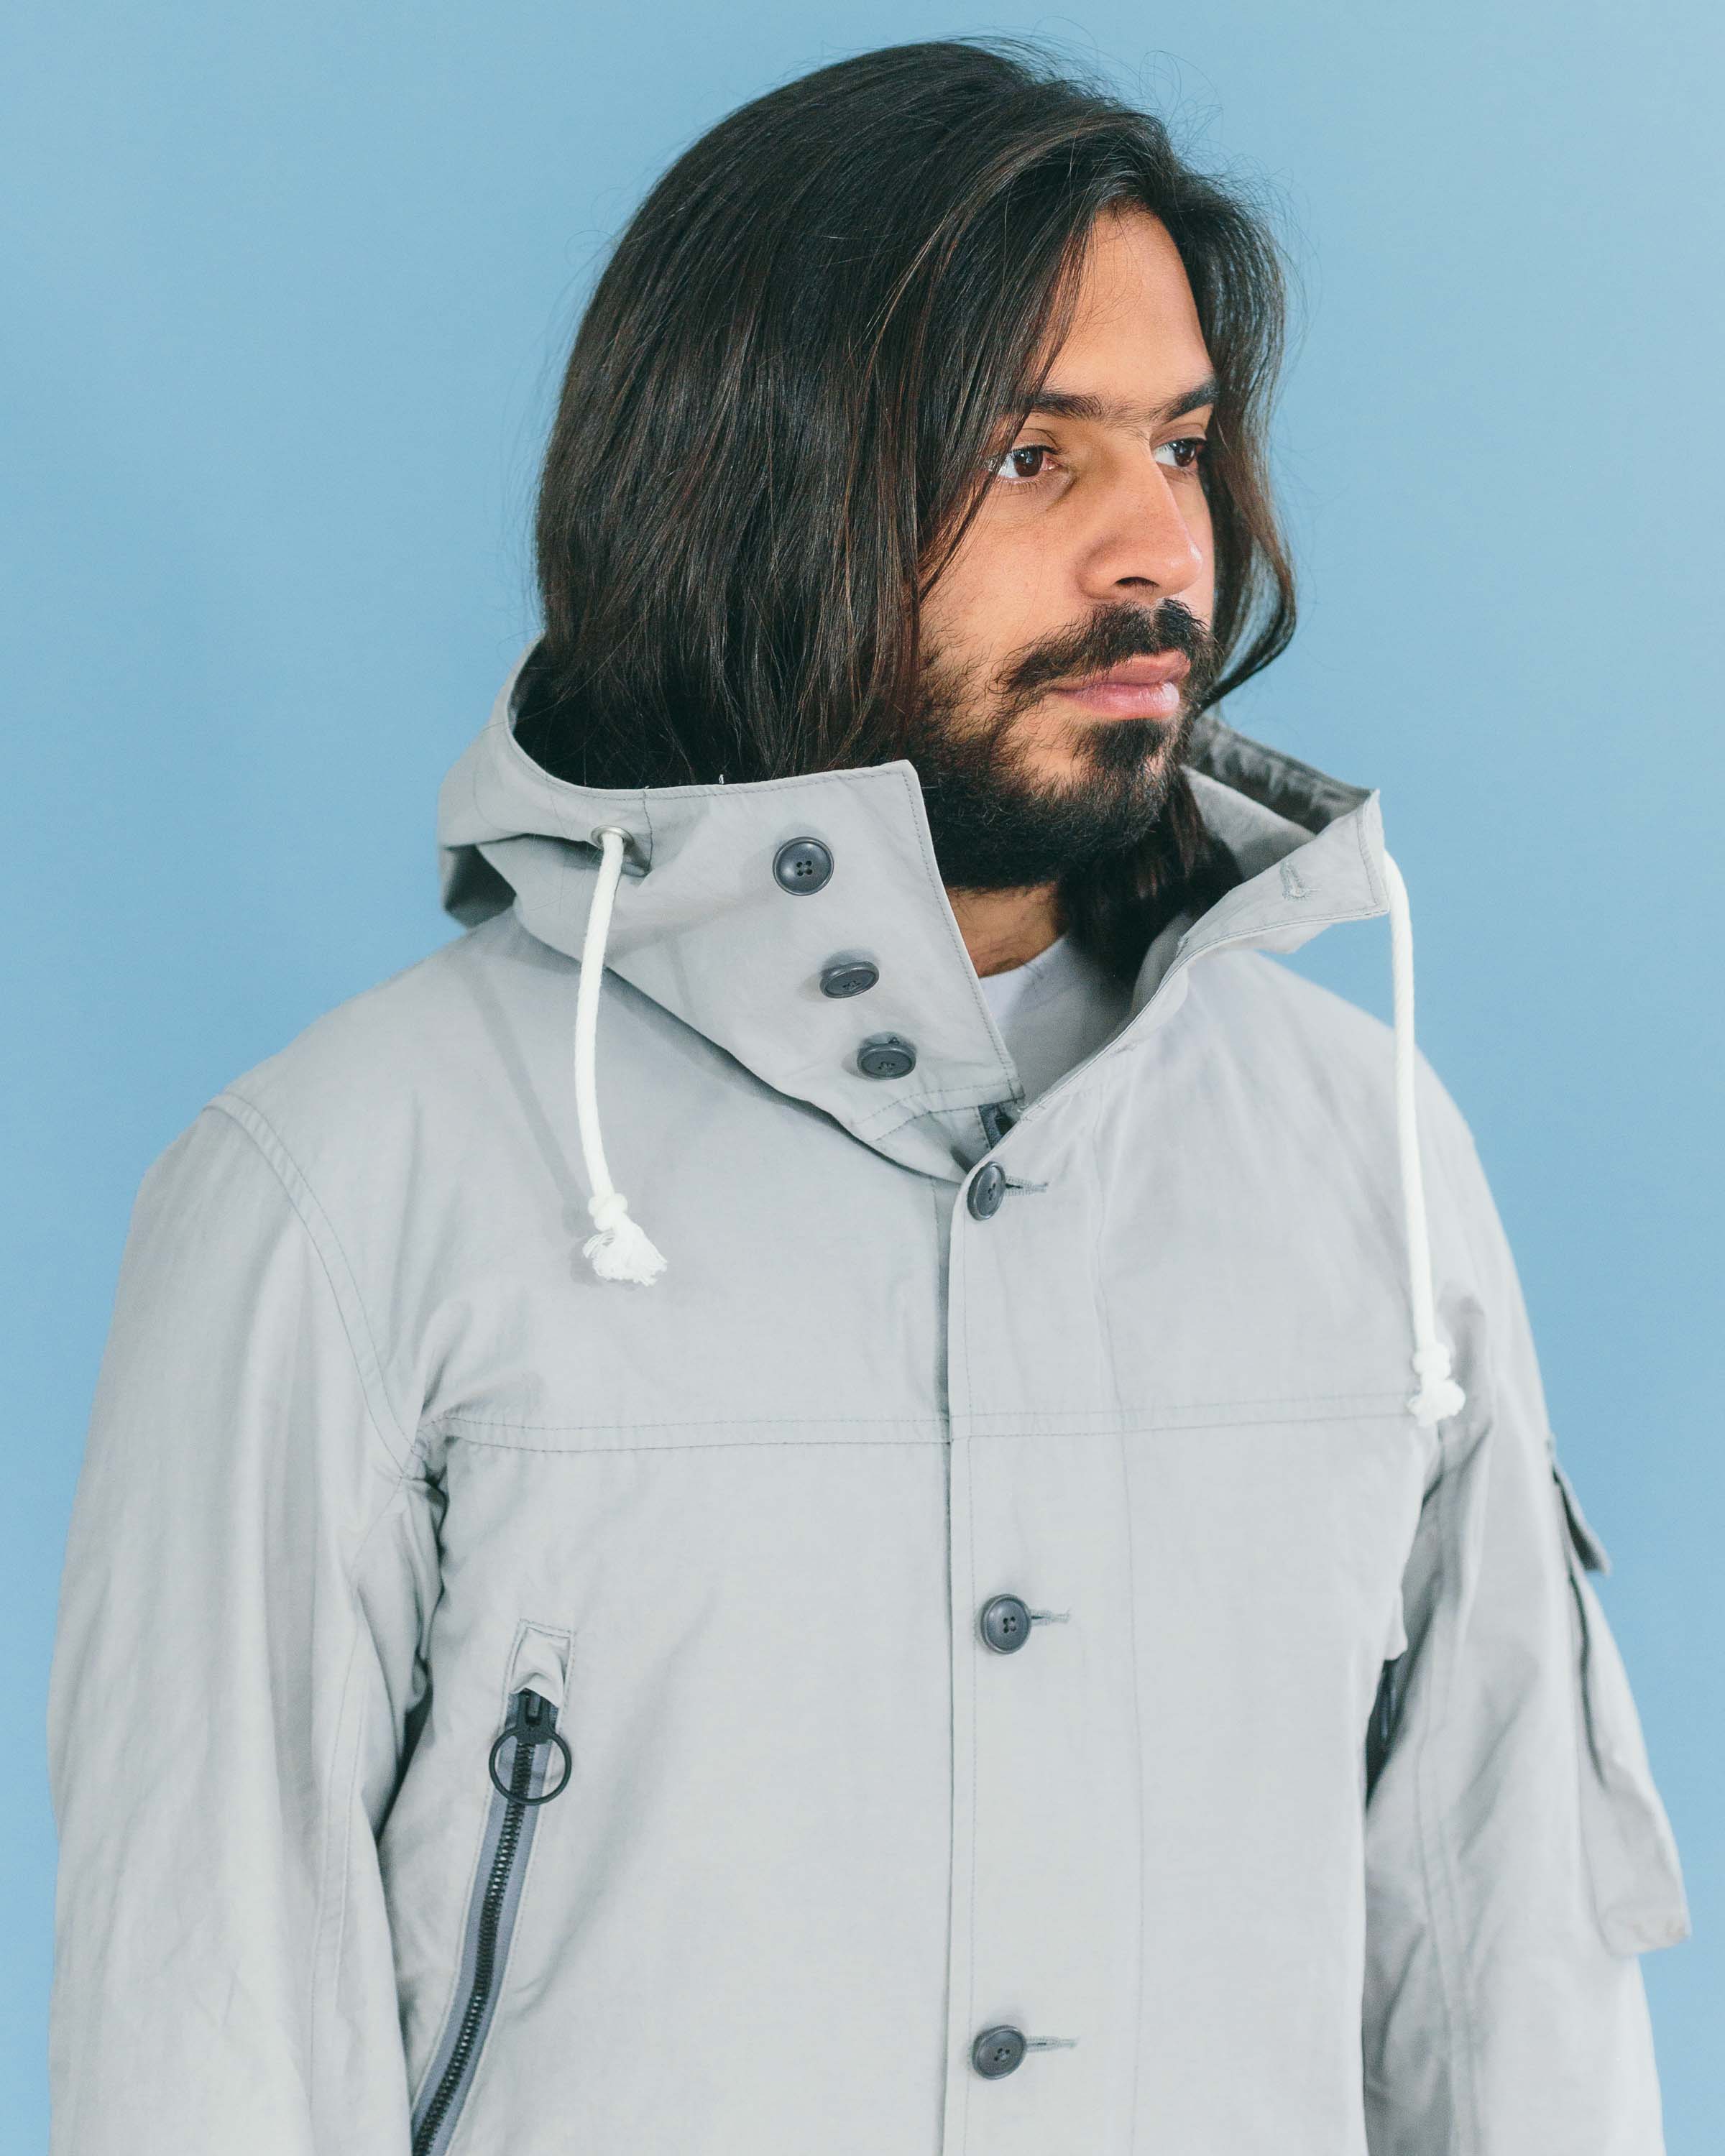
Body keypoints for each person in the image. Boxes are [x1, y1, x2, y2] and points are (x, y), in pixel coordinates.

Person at [46, 36, 1688, 2156]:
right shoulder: (345, 1190)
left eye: (1182, 446)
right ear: (749, 489)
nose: (1157, 553)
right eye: (1029, 456)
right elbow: (207, 2044)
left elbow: (1517, 1994)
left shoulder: (1365, 1157)